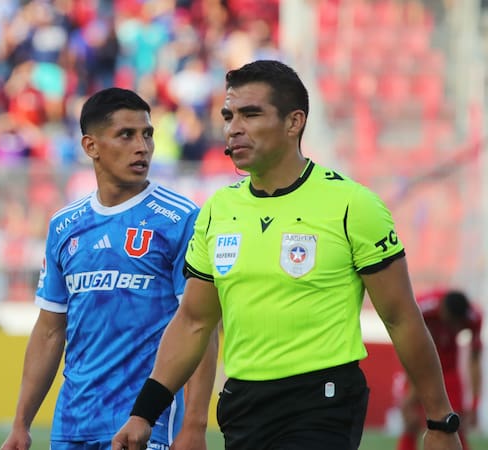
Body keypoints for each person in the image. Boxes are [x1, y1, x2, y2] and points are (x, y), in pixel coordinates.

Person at [112, 59, 463, 450]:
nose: (233, 128)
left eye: (251, 114)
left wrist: (440, 422)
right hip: (242, 405)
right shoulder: (217, 210)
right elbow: (194, 321)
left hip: (322, 401)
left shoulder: (352, 205)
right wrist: (144, 414)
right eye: (229, 115)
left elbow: (401, 317)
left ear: (294, 122)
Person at [1, 87, 219, 450]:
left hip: (148, 424)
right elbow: (50, 330)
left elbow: (200, 324)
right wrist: (21, 423)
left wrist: (195, 425)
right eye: (126, 135)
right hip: (73, 423)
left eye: (147, 134)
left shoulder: (180, 218)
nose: (142, 146)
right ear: (91, 146)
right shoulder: (64, 225)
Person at [397, 289, 482, 450]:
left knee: (455, 422)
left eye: (458, 325)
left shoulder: (474, 317)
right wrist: (412, 388)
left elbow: (475, 360)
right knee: (411, 420)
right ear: (442, 309)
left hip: (449, 370)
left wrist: (475, 403)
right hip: (419, 365)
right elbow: (409, 347)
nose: (453, 328)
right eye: (450, 322)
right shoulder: (422, 308)